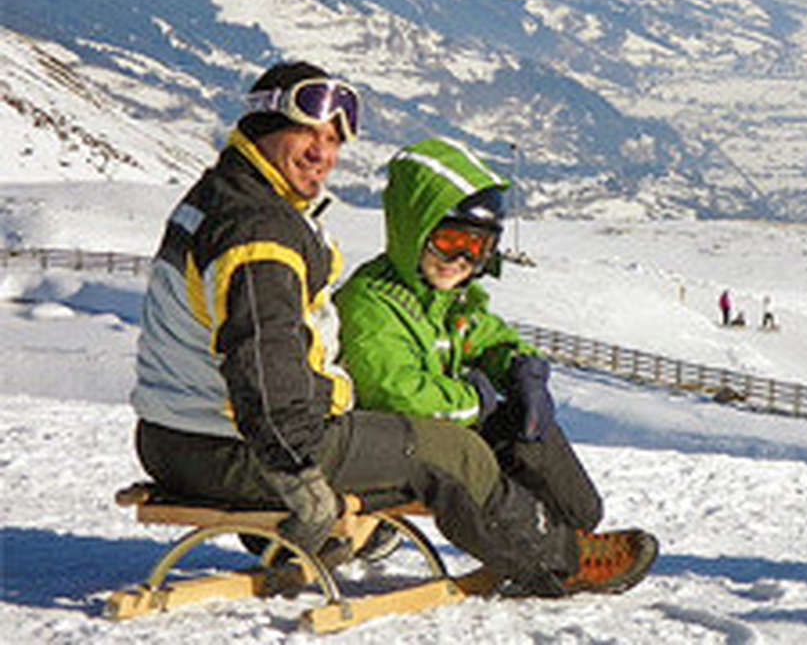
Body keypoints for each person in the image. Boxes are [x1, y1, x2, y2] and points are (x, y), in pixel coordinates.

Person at [130, 61, 655, 597]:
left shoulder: (225, 197)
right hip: (238, 449)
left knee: (418, 436)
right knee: (453, 453)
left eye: (333, 139)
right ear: (263, 127)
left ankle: (547, 534)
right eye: (306, 132)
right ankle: (562, 562)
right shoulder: (258, 231)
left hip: (178, 437)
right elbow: (262, 365)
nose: (323, 153)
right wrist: (298, 477)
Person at [335, 137, 606, 544]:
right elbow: (392, 392)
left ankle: (577, 526)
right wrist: (471, 401)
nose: (460, 260)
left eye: (476, 247)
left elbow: (487, 336)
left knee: (527, 425)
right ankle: (550, 555)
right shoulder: (370, 303)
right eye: (448, 242)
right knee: (468, 457)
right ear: (414, 230)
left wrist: (519, 367)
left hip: (434, 429)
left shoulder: (449, 299)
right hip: (393, 444)